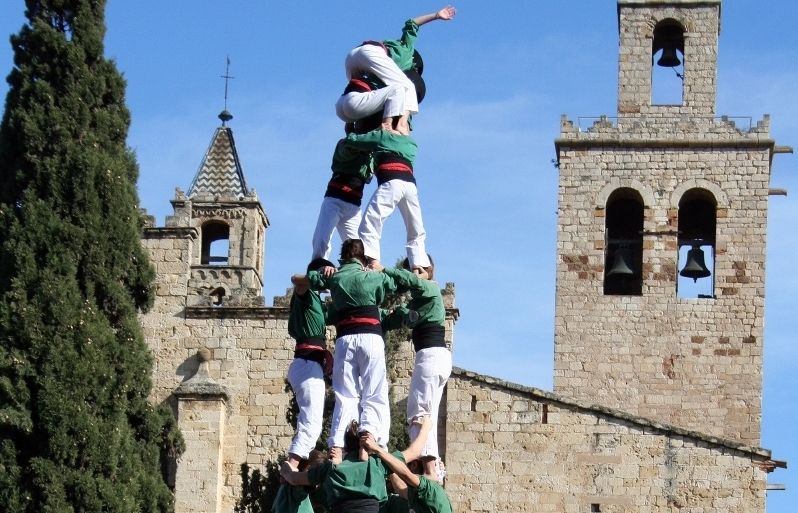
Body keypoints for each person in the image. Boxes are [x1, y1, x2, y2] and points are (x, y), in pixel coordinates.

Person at [292, 239, 398, 454]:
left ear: (342, 258)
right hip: (370, 337)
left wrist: (323, 276)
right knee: (374, 392)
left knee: (345, 395)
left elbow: (297, 279)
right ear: (363, 259)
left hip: (344, 340)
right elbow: (398, 283)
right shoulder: (373, 276)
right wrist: (380, 269)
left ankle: (337, 448)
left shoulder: (336, 278)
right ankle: (371, 442)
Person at [380, 256, 451, 478]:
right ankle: (434, 467)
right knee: (426, 412)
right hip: (435, 357)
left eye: (418, 270)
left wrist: (383, 269)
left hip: (430, 355)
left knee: (418, 412)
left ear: (427, 271)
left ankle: (429, 468)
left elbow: (415, 283)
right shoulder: (418, 303)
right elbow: (395, 318)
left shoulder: (430, 289)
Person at [336, 6, 457, 134]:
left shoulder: (385, 63)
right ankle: (400, 125)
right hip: (372, 53)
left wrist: (436, 15)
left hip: (353, 55)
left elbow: (412, 23)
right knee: (407, 86)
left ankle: (349, 126)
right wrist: (436, 15)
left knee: (357, 88)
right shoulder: (407, 50)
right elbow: (414, 24)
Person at [285, 258, 335, 471]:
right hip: (307, 363)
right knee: (311, 424)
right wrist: (320, 275)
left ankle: (296, 467)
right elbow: (297, 280)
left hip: (307, 364)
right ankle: (290, 468)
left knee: (308, 421)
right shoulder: (305, 295)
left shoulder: (315, 300)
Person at [355, 129, 431, 272]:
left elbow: (354, 140)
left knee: (371, 220)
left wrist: (352, 132)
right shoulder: (411, 143)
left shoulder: (382, 137)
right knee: (415, 227)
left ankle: (372, 260)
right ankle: (418, 265)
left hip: (391, 181)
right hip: (410, 186)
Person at [281, 421, 391, 513]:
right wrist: (378, 450)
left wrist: (288, 466)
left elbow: (294, 478)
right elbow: (405, 462)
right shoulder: (377, 463)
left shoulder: (331, 467)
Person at [361, 418, 453, 513]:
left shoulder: (432, 491)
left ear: (413, 465)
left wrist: (378, 450)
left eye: (405, 464)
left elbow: (405, 474)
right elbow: (401, 488)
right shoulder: (428, 496)